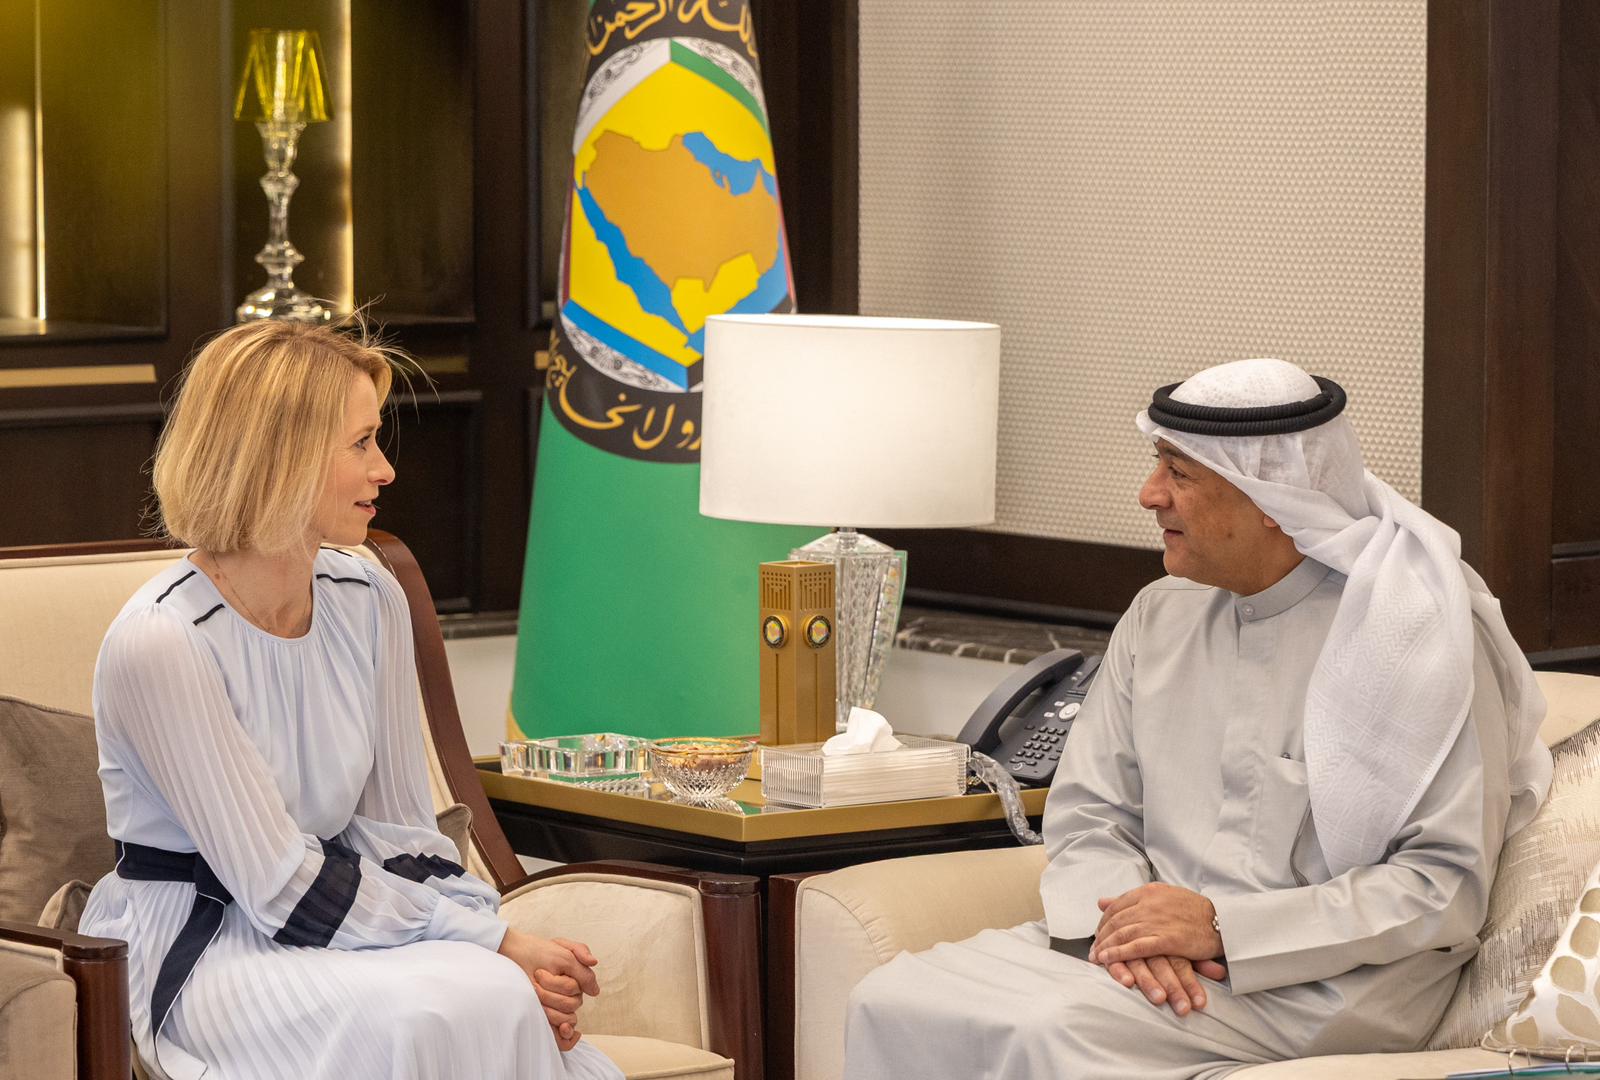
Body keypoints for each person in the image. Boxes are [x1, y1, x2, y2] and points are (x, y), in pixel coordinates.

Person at [842, 358, 1553, 1079]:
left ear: (1272, 497)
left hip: (1327, 981)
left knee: (1050, 1029)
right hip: (1141, 955)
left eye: (1178, 473)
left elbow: (1441, 887)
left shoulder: (1416, 632)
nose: (1149, 494)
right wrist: (1131, 933)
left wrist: (1220, 929)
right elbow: (1092, 814)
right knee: (891, 996)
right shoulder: (1160, 615)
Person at [78, 320, 622, 1080]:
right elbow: (275, 885)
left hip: (343, 922)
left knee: (494, 997)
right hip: (206, 949)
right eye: (362, 443)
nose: (386, 469)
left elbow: (401, 834)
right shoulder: (162, 641)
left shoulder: (368, 596)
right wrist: (494, 942)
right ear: (280, 457)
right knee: (432, 1013)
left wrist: (492, 949)